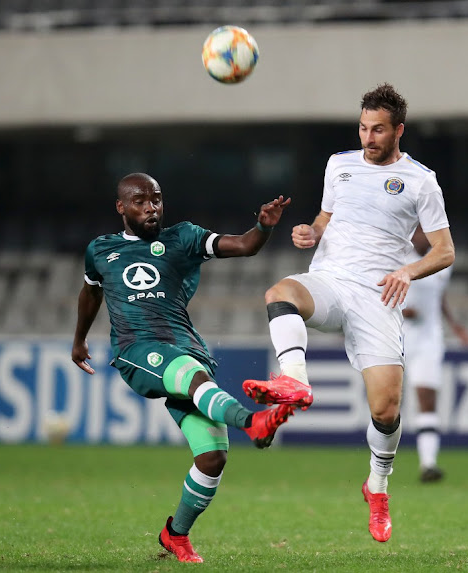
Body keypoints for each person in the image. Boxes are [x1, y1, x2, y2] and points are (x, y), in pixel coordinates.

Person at [243, 83, 455, 543]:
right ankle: (294, 380)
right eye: (363, 127)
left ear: (398, 130)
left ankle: (377, 487)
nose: (368, 137)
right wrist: (310, 232)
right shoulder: (338, 166)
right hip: (332, 281)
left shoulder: (421, 180)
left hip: (379, 296)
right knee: (280, 291)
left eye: (378, 129)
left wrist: (407, 272)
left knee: (387, 408)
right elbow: (326, 217)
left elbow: (444, 252)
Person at [71, 172, 294, 563]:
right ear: (121, 207)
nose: (151, 207)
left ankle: (175, 535)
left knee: (212, 458)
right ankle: (254, 423)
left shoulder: (184, 238)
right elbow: (91, 291)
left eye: (156, 199)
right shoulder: (101, 251)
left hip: (186, 348)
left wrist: (263, 226)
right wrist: (79, 339)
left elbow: (244, 245)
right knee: (193, 378)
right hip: (136, 350)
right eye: (140, 201)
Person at [403, 225, 468, 483]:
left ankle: (428, 463)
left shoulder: (443, 260)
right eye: (417, 230)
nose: (422, 235)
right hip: (395, 338)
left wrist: (455, 326)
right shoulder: (394, 258)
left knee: (427, 398)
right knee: (386, 405)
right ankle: (379, 466)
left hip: (429, 339)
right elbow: (374, 295)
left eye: (425, 231)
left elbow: (439, 297)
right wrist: (401, 311)